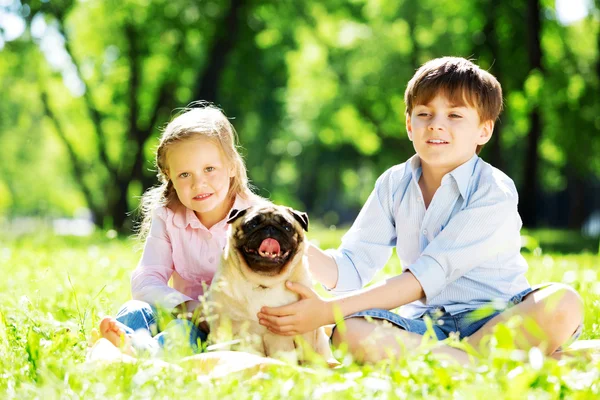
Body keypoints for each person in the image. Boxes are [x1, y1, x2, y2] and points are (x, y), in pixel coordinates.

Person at [257, 57, 584, 364]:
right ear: (410, 125)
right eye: (424, 114)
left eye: (455, 115)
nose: (436, 125)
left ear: (484, 130)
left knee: (563, 303)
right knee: (350, 330)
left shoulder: (492, 189)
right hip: (426, 327)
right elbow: (351, 268)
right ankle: (479, 362)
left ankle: (461, 360)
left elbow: (422, 278)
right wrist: (290, 238)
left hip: (499, 317)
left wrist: (327, 312)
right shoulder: (394, 183)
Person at [96, 104, 265, 356]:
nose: (199, 183)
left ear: (231, 165)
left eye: (209, 169)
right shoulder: (168, 216)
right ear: (169, 176)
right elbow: (146, 280)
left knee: (181, 332)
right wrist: (188, 307)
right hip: (180, 311)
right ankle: (121, 345)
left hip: (228, 330)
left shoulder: (259, 219)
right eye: (185, 174)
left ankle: (137, 352)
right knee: (135, 309)